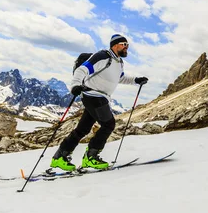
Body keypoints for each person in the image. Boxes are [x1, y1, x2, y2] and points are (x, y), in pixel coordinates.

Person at [50, 34, 149, 171]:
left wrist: (136, 80)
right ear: (114, 45)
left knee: (82, 129)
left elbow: (120, 78)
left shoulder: (119, 62)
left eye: (127, 45)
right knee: (108, 124)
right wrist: (75, 85)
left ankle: (59, 158)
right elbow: (82, 69)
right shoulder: (102, 56)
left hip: (101, 97)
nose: (126, 47)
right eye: (123, 44)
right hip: (93, 95)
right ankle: (91, 157)